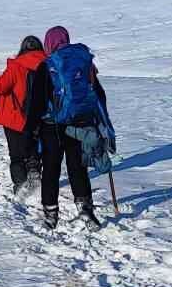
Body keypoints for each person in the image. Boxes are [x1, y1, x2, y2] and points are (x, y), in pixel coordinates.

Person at [23, 26, 113, 230]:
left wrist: (30, 133)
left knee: (51, 169)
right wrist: (102, 121)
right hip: (80, 123)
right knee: (77, 167)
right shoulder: (83, 63)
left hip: (51, 126)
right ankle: (86, 209)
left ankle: (51, 214)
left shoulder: (47, 66)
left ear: (49, 43)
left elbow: (36, 103)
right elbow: (98, 93)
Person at [0, 35, 46, 192]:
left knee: (16, 154)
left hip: (14, 117)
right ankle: (34, 171)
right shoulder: (48, 64)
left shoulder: (16, 66)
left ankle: (21, 185)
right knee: (33, 148)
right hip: (39, 117)